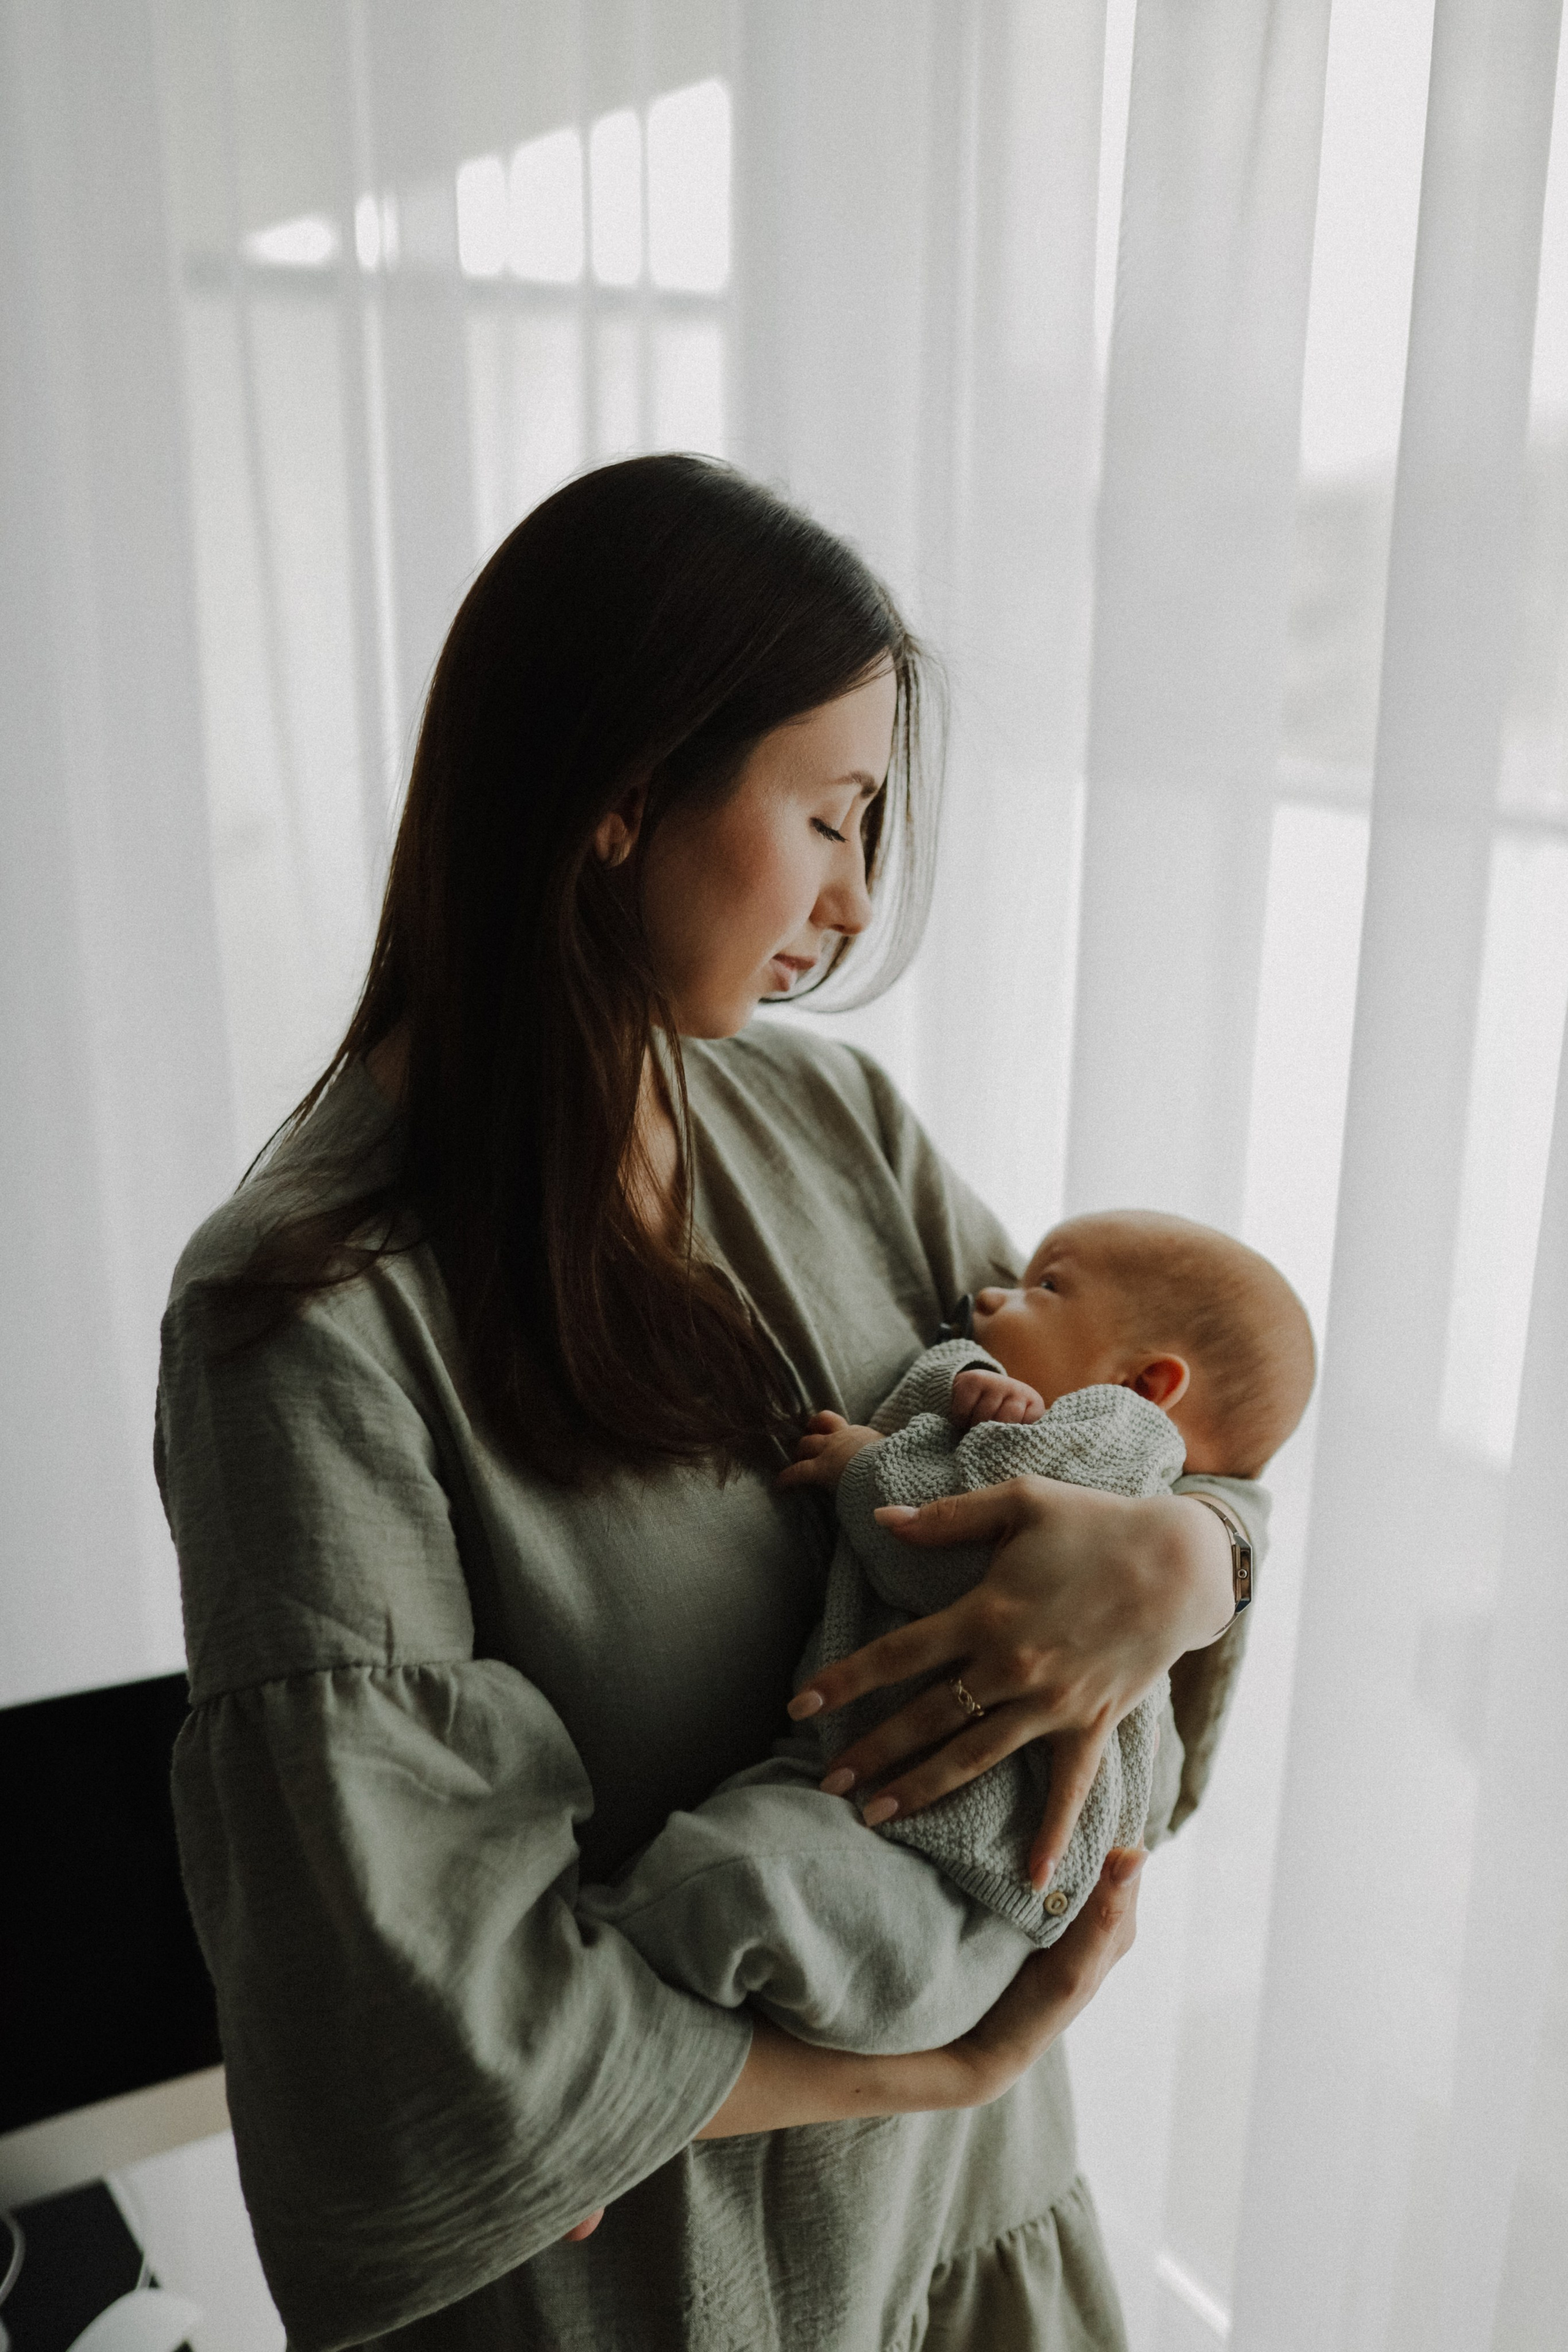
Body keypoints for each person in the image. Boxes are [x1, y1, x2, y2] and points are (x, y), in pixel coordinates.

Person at [156, 455, 1270, 2352]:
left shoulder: (834, 1126)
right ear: (618, 797)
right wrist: (923, 2073)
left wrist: (1176, 1567)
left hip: (973, 2240)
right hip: (677, 2299)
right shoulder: (308, 1323)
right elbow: (426, 2037)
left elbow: (1171, 1437)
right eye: (832, 818)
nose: (849, 903)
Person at [582, 1211, 1311, 2051]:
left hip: (937, 1868)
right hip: (951, 1889)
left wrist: (867, 1466)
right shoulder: (1096, 1450)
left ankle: (570, 2033)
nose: (988, 1294)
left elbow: (950, 1553)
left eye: (1045, 1285)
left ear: (1147, 1386)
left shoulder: (1117, 1442)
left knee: (726, 1884)